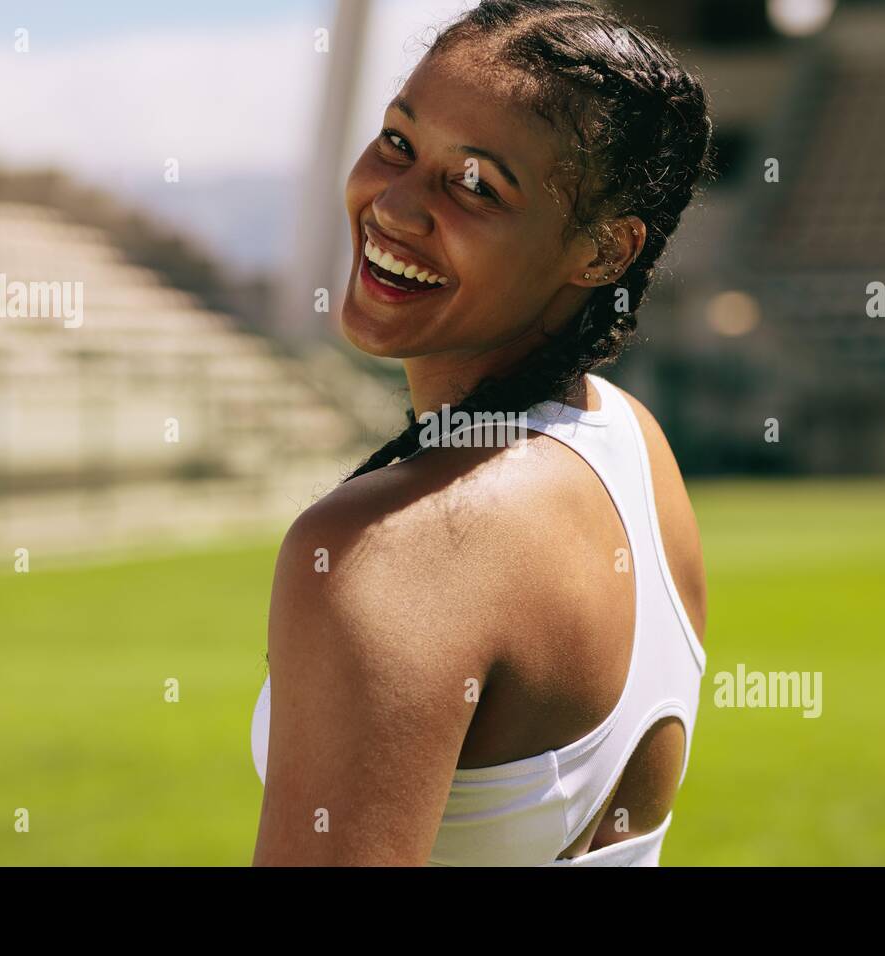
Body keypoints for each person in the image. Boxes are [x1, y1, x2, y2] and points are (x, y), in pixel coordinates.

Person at [252, 0, 713, 866]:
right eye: (398, 142)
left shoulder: (384, 552)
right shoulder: (632, 447)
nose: (393, 204)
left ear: (605, 254)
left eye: (475, 185)